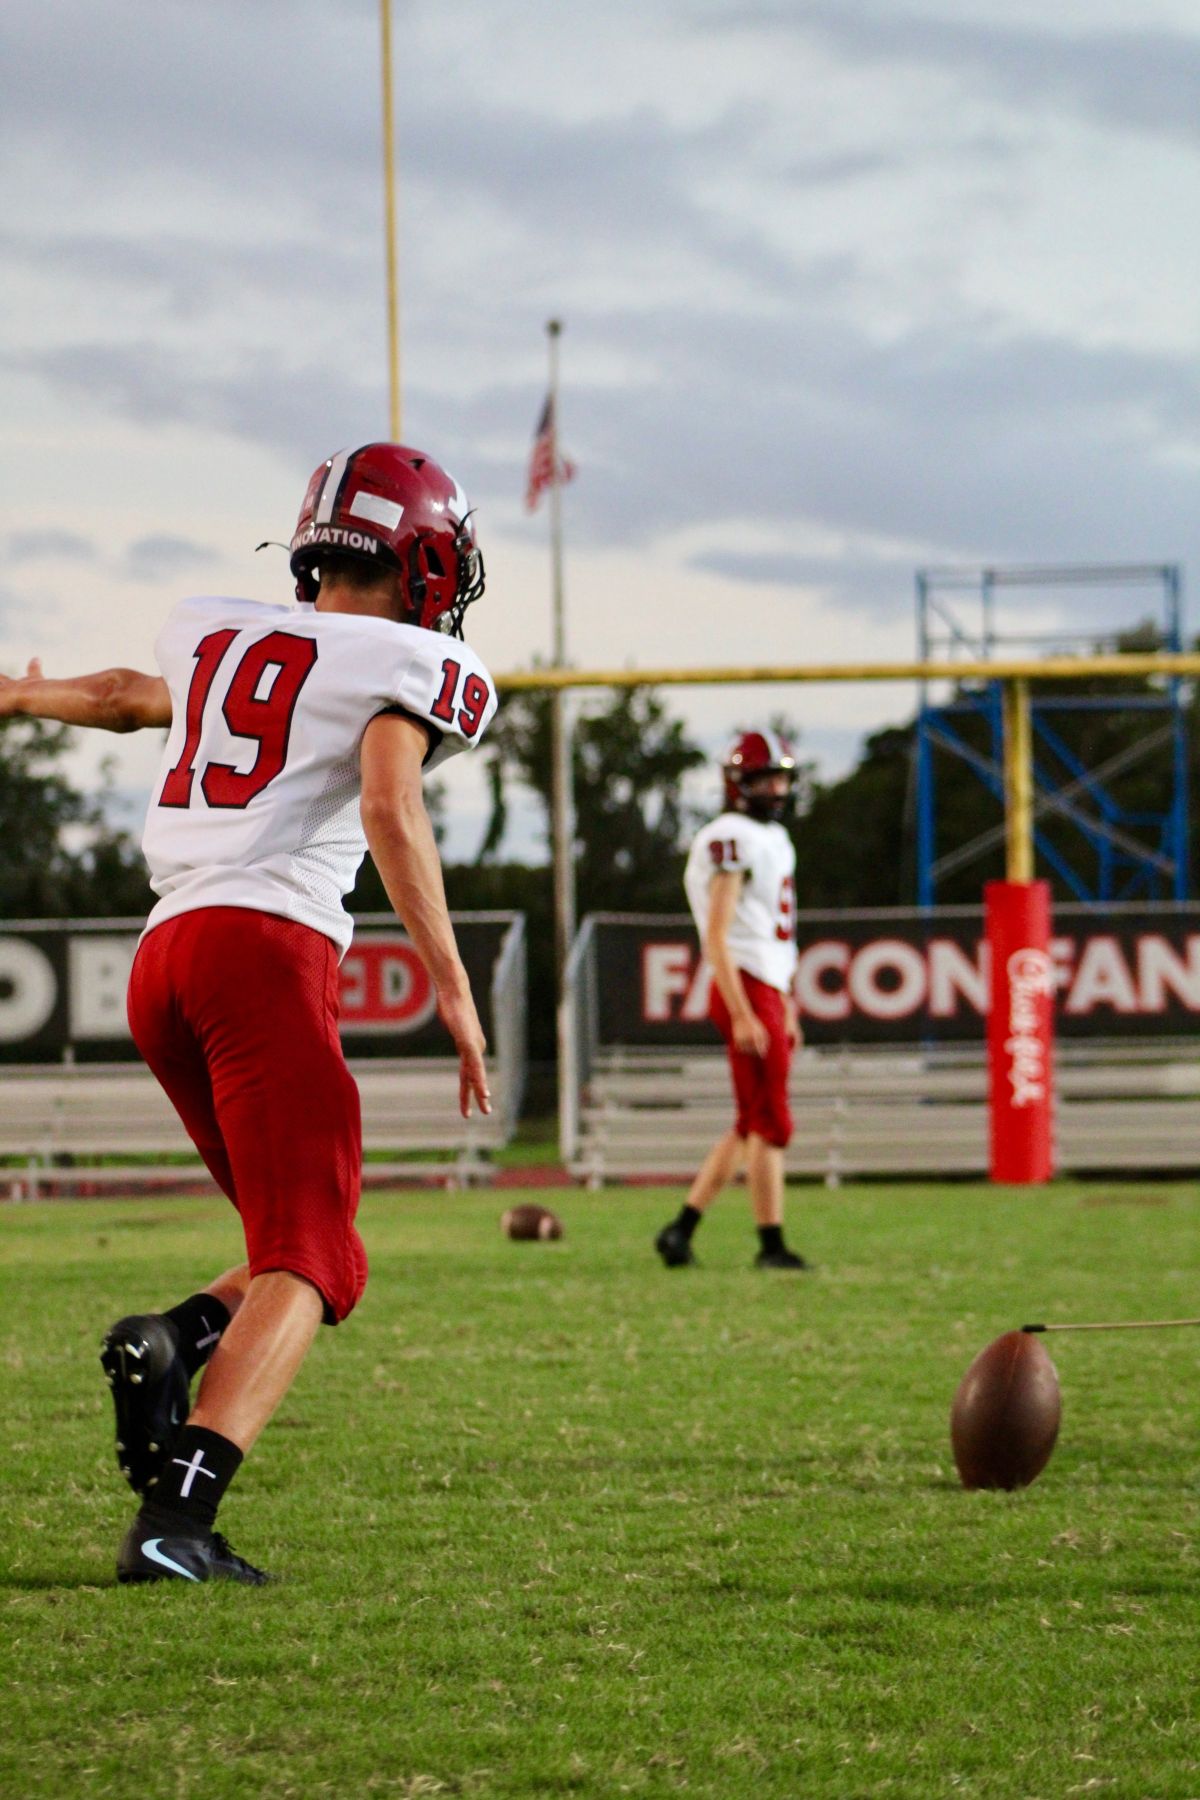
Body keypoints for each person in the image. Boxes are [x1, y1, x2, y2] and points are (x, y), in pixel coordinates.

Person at [0, 442, 497, 1583]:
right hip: (263, 952)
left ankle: (171, 1340)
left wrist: (22, 695)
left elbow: (124, 700)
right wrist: (454, 986)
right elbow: (391, 806)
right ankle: (176, 1520)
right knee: (309, 1257)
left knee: (314, 1256)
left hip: (164, 957)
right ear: (425, 562)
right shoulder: (410, 658)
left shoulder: (226, 634)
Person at [655, 729, 810, 1272]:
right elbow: (718, 936)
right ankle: (771, 1246)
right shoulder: (729, 837)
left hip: (765, 984)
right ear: (739, 784)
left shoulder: (774, 839)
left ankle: (680, 1231)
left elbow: (771, 935)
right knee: (773, 1123)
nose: (777, 790)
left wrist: (786, 1002)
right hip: (744, 984)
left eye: (781, 780)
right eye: (765, 780)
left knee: (751, 1122)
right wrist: (744, 1012)